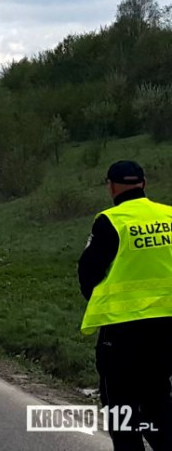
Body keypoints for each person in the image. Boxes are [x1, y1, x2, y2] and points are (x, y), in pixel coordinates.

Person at [79, 160, 172, 450]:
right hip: (166, 332)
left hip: (122, 335)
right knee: (158, 405)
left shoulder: (110, 221)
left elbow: (88, 273)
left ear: (112, 186)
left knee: (123, 416)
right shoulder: (169, 216)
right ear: (143, 184)